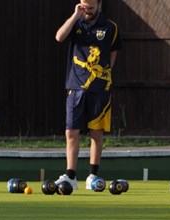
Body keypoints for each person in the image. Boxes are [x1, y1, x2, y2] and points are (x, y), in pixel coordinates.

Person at [54, 0, 122, 190]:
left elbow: (112, 54)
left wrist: (102, 77)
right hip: (75, 87)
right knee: (71, 132)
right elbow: (59, 37)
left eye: (91, 6)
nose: (87, 9)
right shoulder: (75, 23)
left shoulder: (110, 27)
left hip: (100, 89)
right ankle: (71, 175)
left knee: (96, 133)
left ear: (99, 4)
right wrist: (75, 15)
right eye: (84, 5)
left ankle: (92, 176)